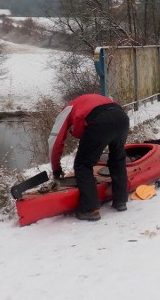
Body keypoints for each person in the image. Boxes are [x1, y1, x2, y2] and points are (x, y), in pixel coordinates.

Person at [49, 93, 130, 221]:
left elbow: (55, 142)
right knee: (117, 159)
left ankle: (89, 209)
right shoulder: (84, 104)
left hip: (100, 121)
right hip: (122, 118)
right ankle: (121, 201)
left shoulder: (66, 111)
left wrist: (56, 169)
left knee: (83, 164)